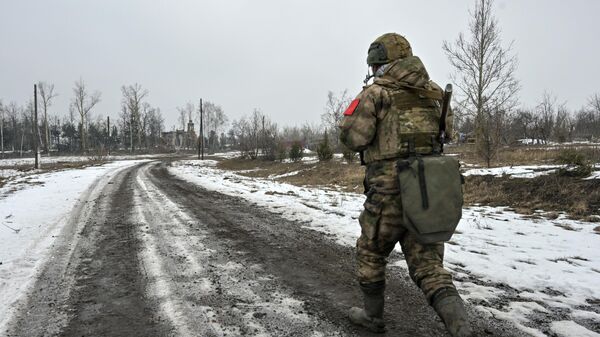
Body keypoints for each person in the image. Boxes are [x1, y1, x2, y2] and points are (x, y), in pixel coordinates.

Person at [338, 33, 472, 337]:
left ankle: (372, 318)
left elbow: (352, 137)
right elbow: (447, 134)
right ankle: (461, 328)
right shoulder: (436, 93)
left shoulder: (376, 94)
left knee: (371, 252)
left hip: (387, 192)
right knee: (428, 266)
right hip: (427, 191)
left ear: (378, 64)